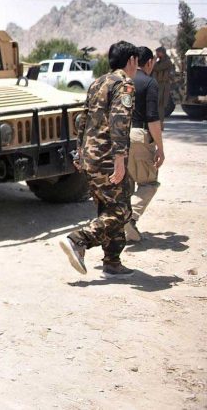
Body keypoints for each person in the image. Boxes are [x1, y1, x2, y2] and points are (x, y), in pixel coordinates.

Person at [60, 41, 139, 278]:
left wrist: (79, 152)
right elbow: (119, 122)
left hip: (90, 157)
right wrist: (119, 159)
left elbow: (82, 120)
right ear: (132, 60)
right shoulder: (124, 84)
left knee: (108, 207)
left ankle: (112, 262)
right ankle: (79, 240)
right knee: (122, 210)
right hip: (107, 158)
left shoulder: (98, 82)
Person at [125, 46, 165, 242]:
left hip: (119, 135)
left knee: (127, 184)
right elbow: (152, 119)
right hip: (139, 136)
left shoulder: (123, 81)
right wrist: (160, 148)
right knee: (149, 183)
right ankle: (128, 219)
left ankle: (125, 230)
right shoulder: (149, 83)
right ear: (149, 62)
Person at [152, 46, 175, 117]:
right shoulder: (160, 62)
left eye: (158, 52)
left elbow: (157, 68)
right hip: (158, 83)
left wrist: (154, 60)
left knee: (161, 100)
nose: (156, 54)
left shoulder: (167, 62)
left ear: (162, 53)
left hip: (164, 83)